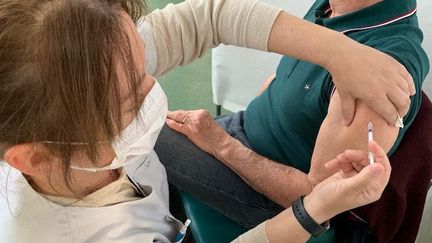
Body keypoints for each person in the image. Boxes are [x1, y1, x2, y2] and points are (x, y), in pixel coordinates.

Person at [0, 0, 414, 242]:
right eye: (130, 102)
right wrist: (313, 208)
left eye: (147, 65)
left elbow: (210, 18)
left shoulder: (99, 62)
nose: (155, 95)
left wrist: (340, 53)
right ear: (35, 158)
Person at [155, 0, 430, 241]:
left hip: (273, 200)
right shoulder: (333, 7)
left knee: (144, 131)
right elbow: (281, 82)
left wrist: (221, 144)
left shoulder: (380, 79)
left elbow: (317, 200)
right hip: (243, 132)